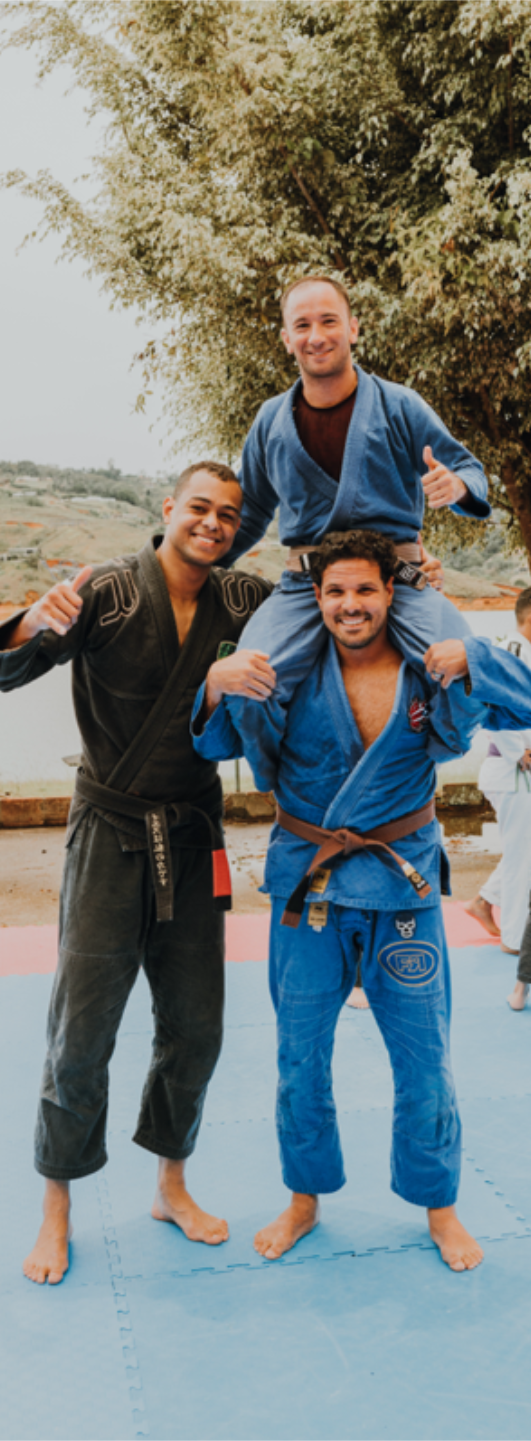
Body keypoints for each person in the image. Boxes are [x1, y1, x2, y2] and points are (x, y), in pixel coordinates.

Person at [192, 529, 531, 1272]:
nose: (350, 604)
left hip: (399, 886)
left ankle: (438, 1204)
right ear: (315, 599)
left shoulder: (426, 666)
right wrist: (218, 679)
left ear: (390, 594)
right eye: (336, 591)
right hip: (307, 885)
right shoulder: (287, 669)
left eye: (366, 590)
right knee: (298, 1058)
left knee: (424, 1059)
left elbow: (522, 706)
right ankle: (304, 1199)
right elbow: (216, 742)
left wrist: (472, 657)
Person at [0, 462, 271, 1286]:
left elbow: (334, 612)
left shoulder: (244, 602)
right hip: (110, 832)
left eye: (228, 515)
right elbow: (11, 667)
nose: (213, 524)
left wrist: (411, 579)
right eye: (199, 508)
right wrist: (23, 626)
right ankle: (57, 1205)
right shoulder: (109, 589)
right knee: (81, 1032)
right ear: (167, 509)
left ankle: (170, 1184)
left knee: (195, 1026)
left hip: (192, 836)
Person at [222, 273, 490, 729]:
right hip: (305, 586)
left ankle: (434, 750)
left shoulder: (400, 405)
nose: (317, 336)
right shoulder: (269, 421)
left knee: (465, 673)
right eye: (302, 325)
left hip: (399, 580)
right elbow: (248, 515)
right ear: (286, 339)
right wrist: (184, 567)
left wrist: (458, 488)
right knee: (248, 683)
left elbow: (470, 471)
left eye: (329, 321)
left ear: (353, 328)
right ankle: (275, 774)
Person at [466, 588, 531, 960]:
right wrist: (519, 752)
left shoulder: (519, 648)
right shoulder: (514, 648)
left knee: (526, 849)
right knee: (522, 852)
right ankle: (514, 937)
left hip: (515, 766)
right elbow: (496, 706)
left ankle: (484, 901)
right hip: (512, 768)